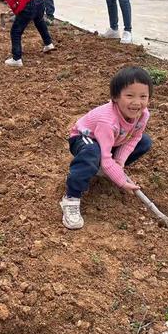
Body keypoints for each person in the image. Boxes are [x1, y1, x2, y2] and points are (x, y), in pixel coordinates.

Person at [60, 67, 153, 229]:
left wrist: (119, 162)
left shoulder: (143, 114)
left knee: (144, 142)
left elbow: (134, 138)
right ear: (116, 97)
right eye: (129, 95)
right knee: (92, 153)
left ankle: (101, 169)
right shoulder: (107, 120)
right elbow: (104, 156)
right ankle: (71, 197)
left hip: (114, 139)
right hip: (85, 138)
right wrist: (121, 181)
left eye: (143, 96)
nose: (137, 102)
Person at [0, 0, 54, 67]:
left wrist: (18, 15)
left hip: (28, 3)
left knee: (15, 31)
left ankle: (16, 58)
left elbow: (13, 5)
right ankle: (48, 44)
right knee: (39, 22)